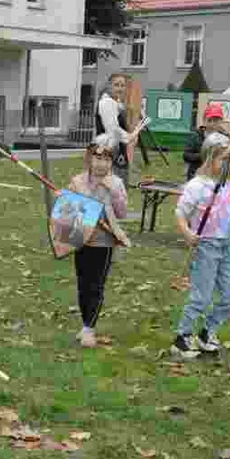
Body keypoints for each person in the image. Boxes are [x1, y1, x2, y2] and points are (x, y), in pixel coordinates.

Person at [171, 133, 230, 358]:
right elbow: (180, 212)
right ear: (209, 159)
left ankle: (207, 332)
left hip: (225, 246)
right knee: (202, 296)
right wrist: (187, 232)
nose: (229, 164)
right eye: (223, 159)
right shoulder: (197, 186)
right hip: (205, 245)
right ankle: (182, 338)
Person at [67, 138, 128, 347]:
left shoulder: (116, 183)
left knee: (96, 285)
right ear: (89, 158)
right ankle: (85, 323)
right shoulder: (78, 182)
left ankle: (89, 328)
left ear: (112, 161)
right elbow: (68, 213)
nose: (101, 163)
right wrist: (64, 198)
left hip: (104, 242)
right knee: (83, 284)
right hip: (81, 240)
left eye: (106, 159)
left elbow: (121, 213)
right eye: (98, 158)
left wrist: (114, 192)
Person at [95, 73, 145, 188]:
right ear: (109, 86)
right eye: (116, 85)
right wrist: (131, 136)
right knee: (112, 190)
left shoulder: (114, 102)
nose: (120, 88)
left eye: (122, 85)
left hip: (116, 151)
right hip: (109, 151)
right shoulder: (107, 103)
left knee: (117, 191)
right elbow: (113, 130)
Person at [184, 102, 228, 181]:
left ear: (221, 121)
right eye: (209, 120)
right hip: (196, 176)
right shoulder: (195, 136)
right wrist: (204, 155)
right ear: (204, 121)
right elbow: (186, 155)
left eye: (216, 121)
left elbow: (227, 160)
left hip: (215, 178)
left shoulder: (224, 138)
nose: (212, 124)